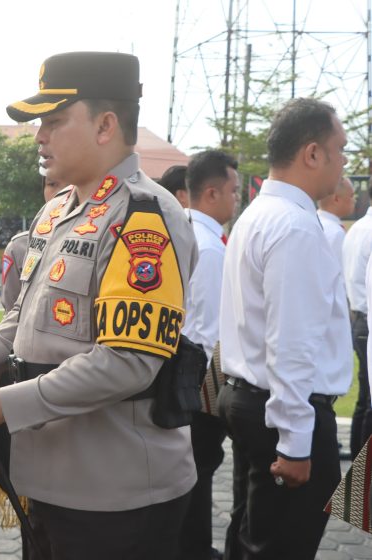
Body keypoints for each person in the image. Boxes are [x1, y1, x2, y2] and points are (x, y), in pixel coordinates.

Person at [0, 51, 198, 559]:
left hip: (115, 497)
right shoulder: (58, 210)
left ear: (106, 125)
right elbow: (25, 314)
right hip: (49, 481)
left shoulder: (144, 216)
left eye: (55, 121)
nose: (40, 136)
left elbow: (128, 361)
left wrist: (2, 405)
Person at [219, 97, 350, 559]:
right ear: (312, 153)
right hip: (285, 414)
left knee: (251, 536)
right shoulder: (294, 226)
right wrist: (296, 443)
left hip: (254, 401)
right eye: (340, 149)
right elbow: (291, 344)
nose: (344, 163)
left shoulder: (258, 214)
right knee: (279, 547)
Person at [176, 150, 239, 560]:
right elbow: (216, 330)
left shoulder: (183, 231)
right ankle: (195, 549)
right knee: (200, 467)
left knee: (189, 469)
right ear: (211, 193)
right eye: (234, 191)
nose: (237, 199)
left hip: (181, 370)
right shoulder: (212, 249)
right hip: (202, 373)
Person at [1, 176, 63, 312]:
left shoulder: (102, 241)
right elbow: (13, 313)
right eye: (52, 184)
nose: (62, 193)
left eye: (71, 184)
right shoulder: (18, 248)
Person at [343, 179, 372, 459]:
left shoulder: (357, 228)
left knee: (364, 398)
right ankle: (360, 464)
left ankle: (357, 459)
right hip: (365, 316)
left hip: (358, 315)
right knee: (367, 400)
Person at [317, 176, 354, 263]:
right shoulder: (336, 233)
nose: (354, 200)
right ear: (336, 199)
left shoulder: (313, 221)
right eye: (351, 196)